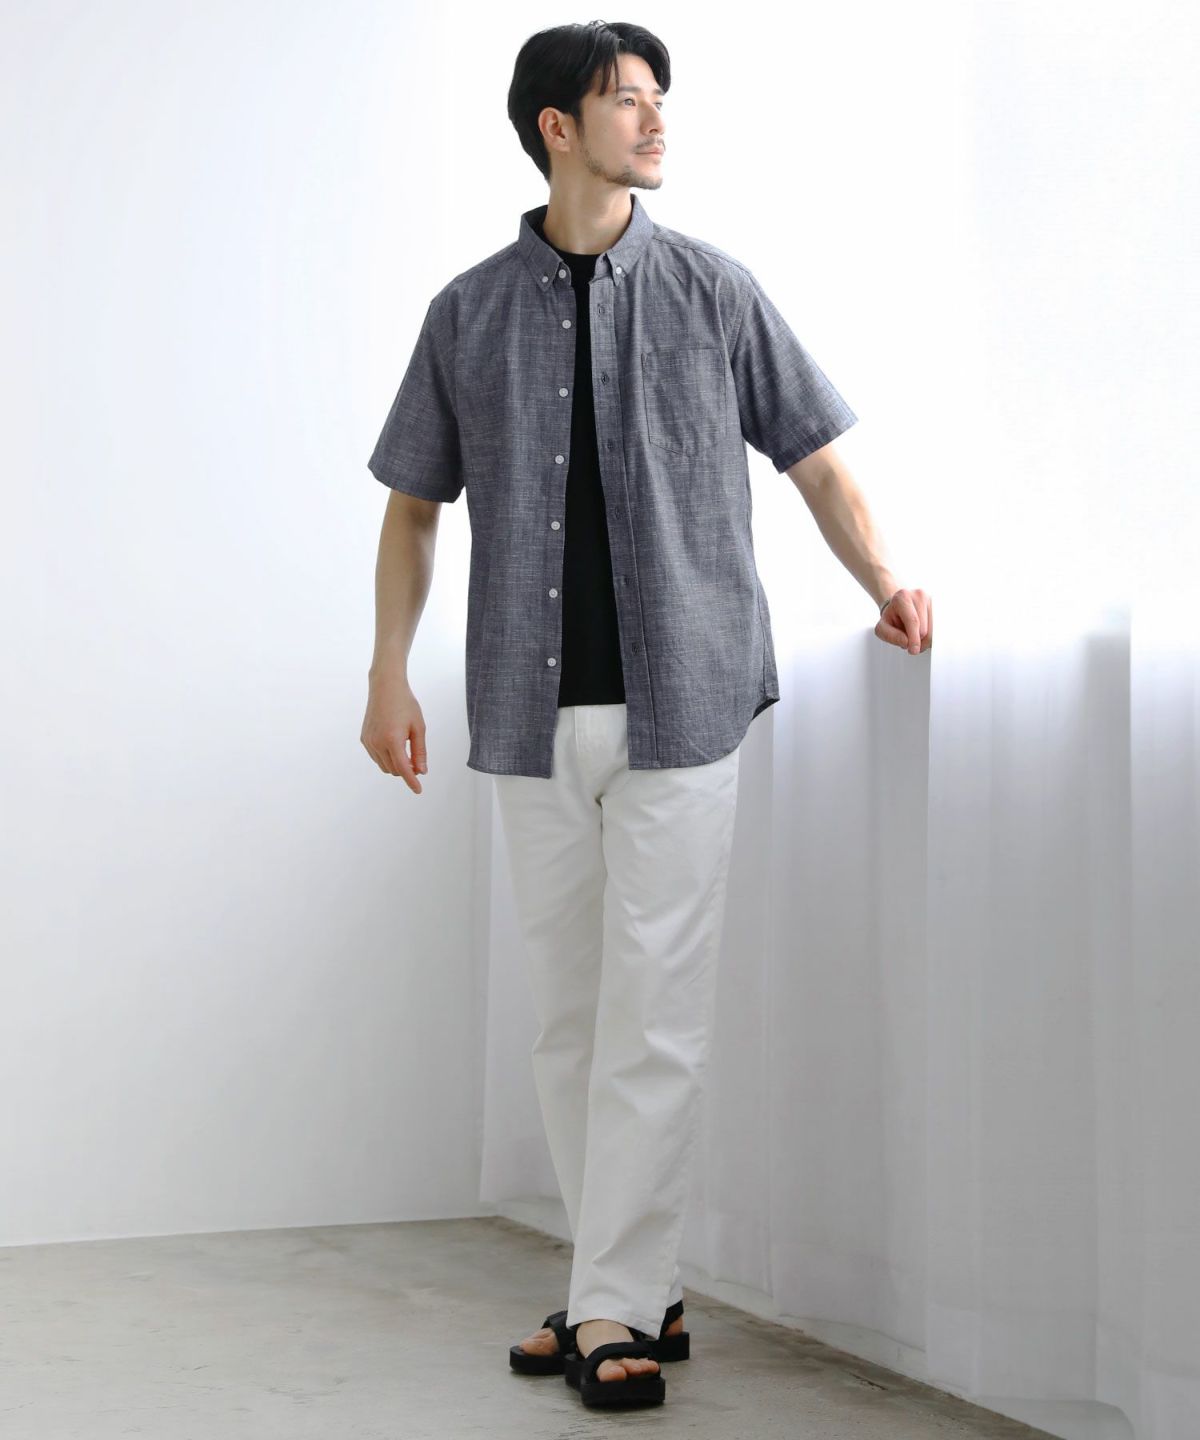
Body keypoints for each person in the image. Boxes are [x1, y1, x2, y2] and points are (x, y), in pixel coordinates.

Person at [361, 20, 932, 1411]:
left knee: (655, 1017)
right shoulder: (466, 313)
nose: (658, 120)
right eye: (629, 100)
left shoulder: (715, 291)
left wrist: (886, 580)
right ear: (556, 127)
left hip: (685, 700)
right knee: (568, 1022)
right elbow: (414, 507)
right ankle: (632, 1288)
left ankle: (608, 1306)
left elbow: (816, 459)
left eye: (660, 98)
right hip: (526, 706)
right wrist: (387, 672)